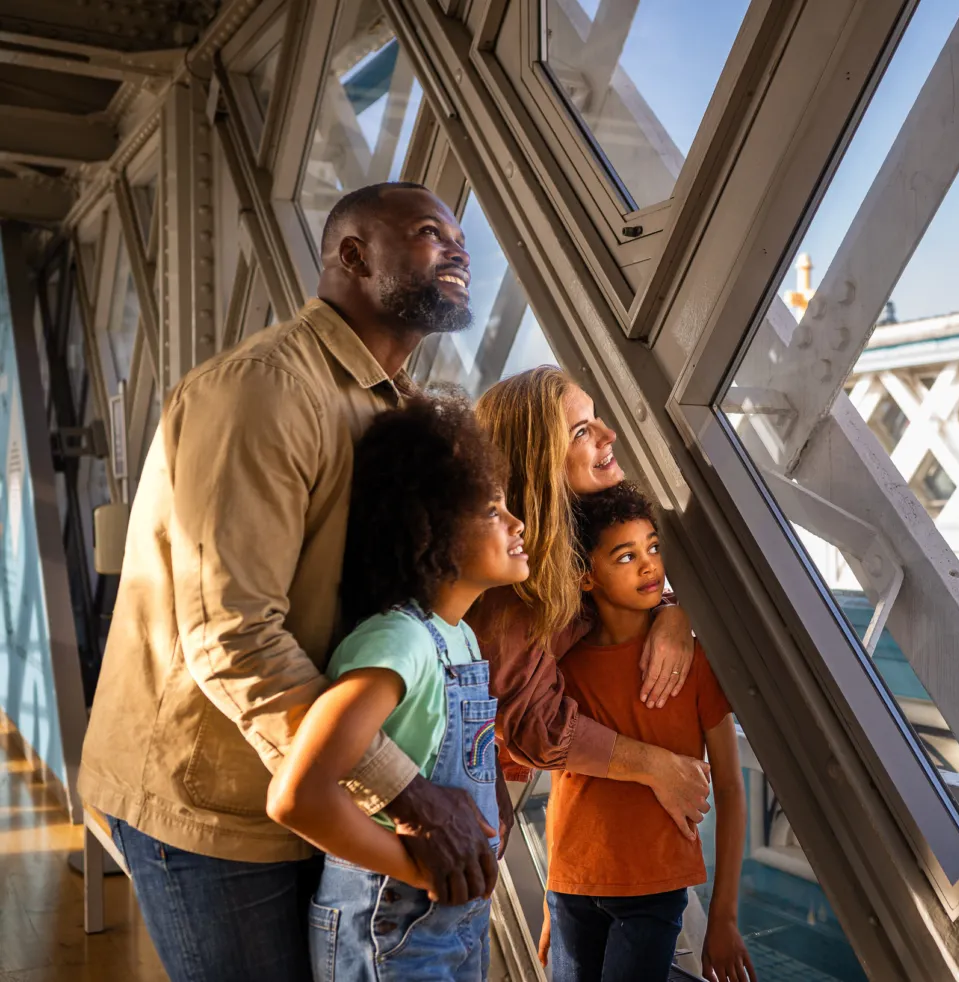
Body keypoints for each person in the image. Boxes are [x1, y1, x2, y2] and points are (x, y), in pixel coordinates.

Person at [77, 182, 500, 981]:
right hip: (216, 805)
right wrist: (407, 792)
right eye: (426, 233)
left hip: (318, 788)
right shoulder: (262, 392)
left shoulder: (390, 405)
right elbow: (233, 635)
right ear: (351, 256)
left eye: (460, 238)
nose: (458, 250)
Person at [267, 391, 521, 982]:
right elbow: (297, 796)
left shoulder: (457, 637)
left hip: (454, 920)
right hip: (390, 924)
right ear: (429, 529)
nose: (517, 524)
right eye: (491, 510)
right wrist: (416, 869)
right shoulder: (399, 644)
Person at [468, 367, 712, 836]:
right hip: (450, 836)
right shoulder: (509, 589)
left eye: (596, 418)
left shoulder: (577, 537)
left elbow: (627, 577)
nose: (609, 434)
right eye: (583, 431)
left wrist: (670, 610)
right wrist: (656, 767)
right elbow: (536, 727)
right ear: (541, 465)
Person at [540, 482, 753, 982]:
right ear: (586, 576)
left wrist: (722, 917)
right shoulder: (562, 666)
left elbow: (729, 786)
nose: (648, 565)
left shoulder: (696, 663)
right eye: (625, 555)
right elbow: (561, 784)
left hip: (653, 891)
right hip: (571, 885)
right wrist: (552, 897)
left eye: (653, 547)